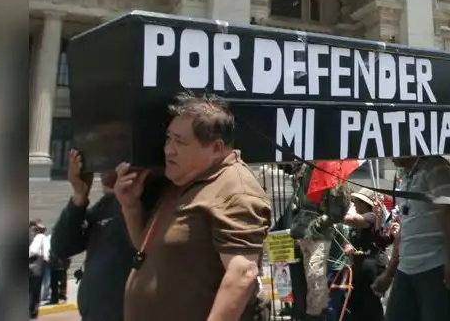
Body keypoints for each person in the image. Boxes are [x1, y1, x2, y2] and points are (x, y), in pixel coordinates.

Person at [115, 93, 272, 321]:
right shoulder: (183, 181)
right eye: (168, 138)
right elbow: (150, 251)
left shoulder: (236, 191)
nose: (169, 149)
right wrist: (130, 207)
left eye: (180, 141)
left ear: (216, 148)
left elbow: (243, 273)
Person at [50, 149, 142, 321]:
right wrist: (79, 197)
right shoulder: (105, 206)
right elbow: (61, 247)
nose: (101, 167)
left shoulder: (143, 201)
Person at [374, 154, 450, 321]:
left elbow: (448, 211)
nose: (389, 155)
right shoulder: (405, 176)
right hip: (406, 269)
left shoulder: (435, 165)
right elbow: (405, 226)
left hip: (436, 268)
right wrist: (389, 272)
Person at [287, 161, 352, 320]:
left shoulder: (331, 168)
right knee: (299, 284)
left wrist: (320, 223)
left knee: (315, 282)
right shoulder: (305, 167)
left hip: (319, 235)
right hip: (299, 232)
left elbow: (341, 208)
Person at [339, 187, 391, 321]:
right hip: (359, 268)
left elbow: (355, 220)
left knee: (371, 306)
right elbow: (352, 240)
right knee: (356, 305)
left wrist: (334, 217)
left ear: (366, 204)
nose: (354, 204)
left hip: (372, 267)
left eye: (358, 201)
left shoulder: (373, 217)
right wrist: (349, 246)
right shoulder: (358, 224)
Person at [28, 220, 48, 319]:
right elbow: (34, 250)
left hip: (33, 266)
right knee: (34, 290)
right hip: (36, 266)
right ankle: (32, 311)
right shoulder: (40, 237)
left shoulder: (37, 237)